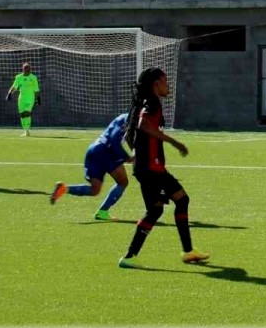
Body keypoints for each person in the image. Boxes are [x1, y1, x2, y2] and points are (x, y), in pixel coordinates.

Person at [118, 68, 209, 267]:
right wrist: (174, 142)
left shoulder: (145, 102)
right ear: (156, 83)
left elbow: (130, 134)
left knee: (155, 210)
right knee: (181, 199)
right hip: (152, 168)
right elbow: (143, 125)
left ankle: (130, 257)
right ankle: (187, 251)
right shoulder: (152, 102)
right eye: (165, 81)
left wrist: (138, 154)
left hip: (146, 167)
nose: (168, 86)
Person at [50, 112, 132, 220]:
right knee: (122, 182)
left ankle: (64, 189)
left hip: (94, 149)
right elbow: (114, 140)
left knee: (95, 190)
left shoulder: (124, 117)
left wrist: (133, 151)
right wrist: (127, 157)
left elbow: (127, 137)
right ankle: (102, 212)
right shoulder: (129, 120)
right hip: (106, 152)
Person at [6, 63, 41, 137]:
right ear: (23, 69)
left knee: (27, 113)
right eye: (26, 68)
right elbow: (14, 87)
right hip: (21, 98)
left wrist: (38, 98)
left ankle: (27, 130)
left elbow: (36, 89)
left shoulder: (33, 77)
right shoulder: (19, 77)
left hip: (30, 98)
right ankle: (25, 130)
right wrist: (9, 94)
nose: (28, 70)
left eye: (29, 68)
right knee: (22, 114)